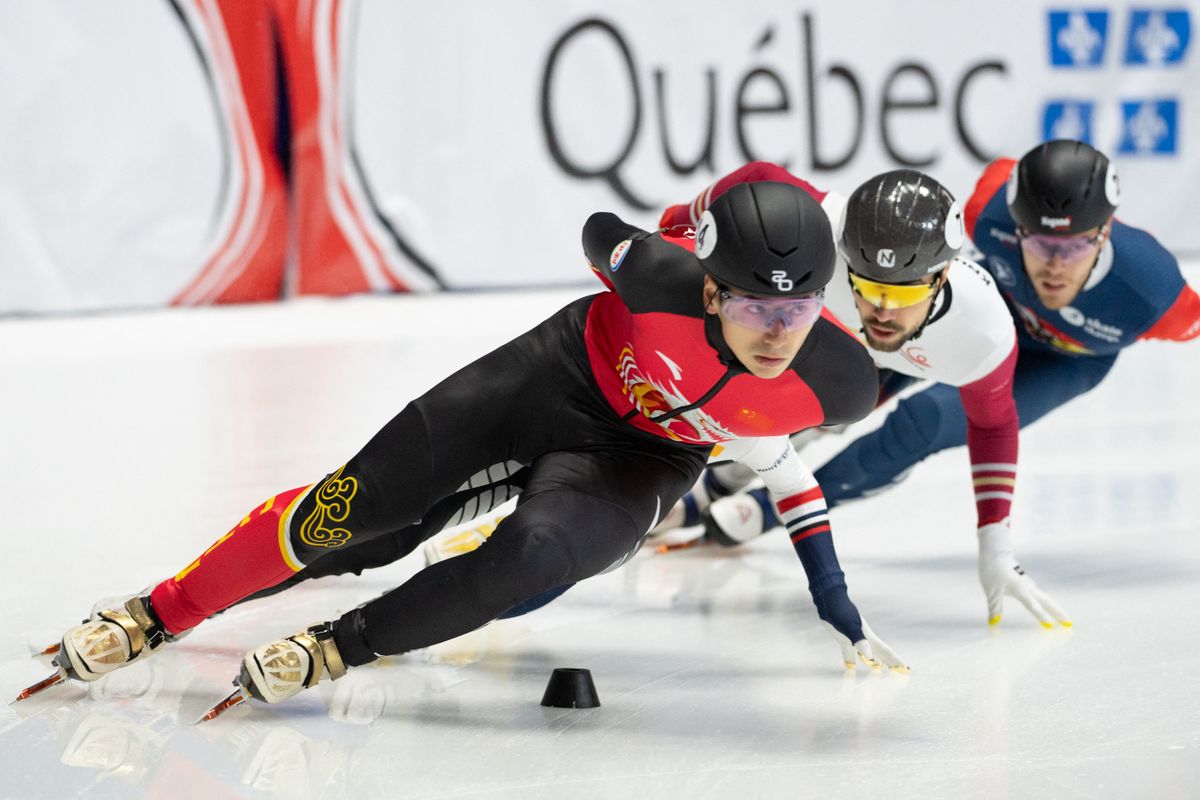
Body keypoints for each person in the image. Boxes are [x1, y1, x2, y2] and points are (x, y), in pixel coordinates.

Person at [25, 182, 904, 716]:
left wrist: (832, 593)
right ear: (710, 291)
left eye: (797, 309)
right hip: (557, 373)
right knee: (359, 511)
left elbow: (785, 463)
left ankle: (342, 646)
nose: (776, 332)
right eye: (753, 306)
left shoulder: (841, 385)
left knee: (533, 557)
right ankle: (160, 611)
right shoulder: (657, 275)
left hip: (643, 460)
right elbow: (600, 228)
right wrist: (672, 228)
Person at [696, 142, 1199, 623]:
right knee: (844, 389)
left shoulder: (1155, 294)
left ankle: (765, 510)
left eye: (1072, 249)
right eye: (1037, 241)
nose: (1051, 264)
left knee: (926, 419)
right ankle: (725, 477)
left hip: (1059, 362)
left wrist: (995, 541)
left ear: (1104, 232)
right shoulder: (991, 211)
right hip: (957, 319)